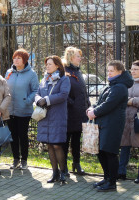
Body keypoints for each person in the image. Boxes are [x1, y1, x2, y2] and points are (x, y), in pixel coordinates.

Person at [87, 60, 133, 192]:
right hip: (103, 123)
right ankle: (107, 178)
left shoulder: (120, 87)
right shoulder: (112, 85)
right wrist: (92, 107)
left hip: (113, 124)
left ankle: (112, 182)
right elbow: (101, 101)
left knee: (110, 152)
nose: (109, 73)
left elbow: (109, 104)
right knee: (101, 151)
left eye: (112, 70)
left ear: (120, 72)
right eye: (108, 70)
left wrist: (94, 112)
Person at [35, 55, 70, 183]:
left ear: (57, 65)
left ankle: (63, 172)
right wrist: (39, 100)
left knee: (56, 145)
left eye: (50, 64)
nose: (47, 66)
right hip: (45, 116)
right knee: (49, 144)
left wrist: (47, 100)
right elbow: (37, 93)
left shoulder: (63, 79)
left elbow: (63, 95)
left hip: (57, 116)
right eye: (47, 64)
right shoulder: (44, 79)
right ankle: (54, 173)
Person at [5, 48, 39, 170]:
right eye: (14, 58)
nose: (16, 60)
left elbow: (36, 90)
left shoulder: (31, 74)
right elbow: (5, 87)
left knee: (22, 135)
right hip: (10, 110)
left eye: (19, 58)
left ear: (24, 60)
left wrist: (28, 100)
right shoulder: (9, 72)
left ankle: (24, 160)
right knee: (13, 135)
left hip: (24, 110)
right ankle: (15, 160)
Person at [62, 47, 90, 176]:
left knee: (76, 140)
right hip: (68, 113)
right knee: (65, 141)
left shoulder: (78, 72)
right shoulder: (64, 71)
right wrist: (72, 103)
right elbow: (62, 92)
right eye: (78, 56)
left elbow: (82, 91)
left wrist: (87, 105)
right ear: (71, 57)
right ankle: (63, 166)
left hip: (80, 112)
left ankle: (76, 163)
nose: (80, 58)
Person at [118, 60, 139, 184]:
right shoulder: (127, 83)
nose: (133, 71)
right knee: (124, 146)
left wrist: (132, 101)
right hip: (125, 120)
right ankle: (121, 172)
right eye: (132, 69)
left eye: (136, 69)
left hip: (137, 120)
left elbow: (127, 100)